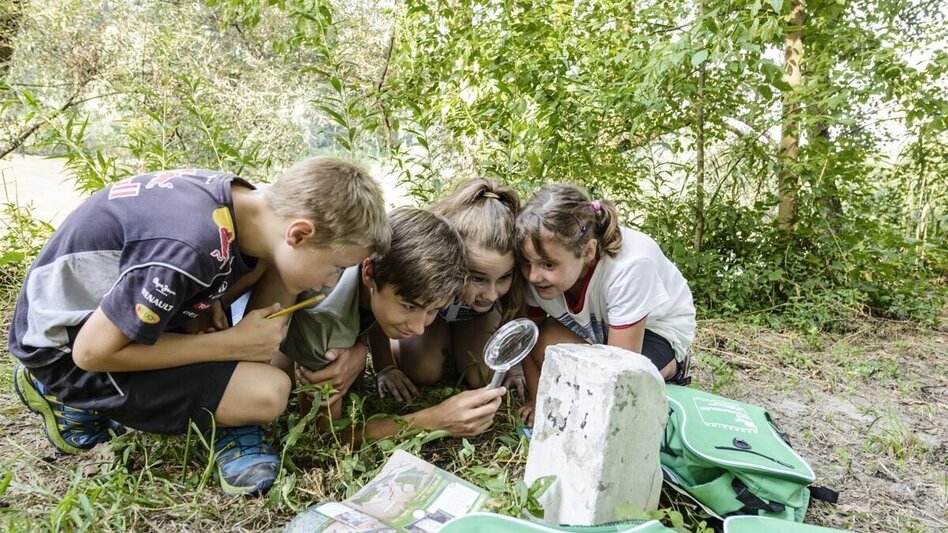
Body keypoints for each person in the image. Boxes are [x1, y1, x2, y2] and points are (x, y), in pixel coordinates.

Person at [8, 157, 390, 496]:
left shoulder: (246, 208)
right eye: (337, 268)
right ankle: (57, 391)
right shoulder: (187, 246)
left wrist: (208, 309)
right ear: (300, 233)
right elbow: (92, 353)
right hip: (64, 350)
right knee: (268, 392)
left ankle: (230, 395)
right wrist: (230, 345)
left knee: (271, 264)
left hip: (107, 314)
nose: (330, 283)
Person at [269, 207, 507, 443]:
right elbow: (324, 437)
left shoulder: (379, 254)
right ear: (369, 273)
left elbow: (375, 306)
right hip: (268, 356)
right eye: (409, 306)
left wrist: (379, 362)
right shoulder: (327, 324)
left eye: (433, 310)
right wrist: (433, 420)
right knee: (284, 386)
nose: (419, 328)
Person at [516, 184, 696, 427]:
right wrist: (539, 400)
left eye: (548, 265)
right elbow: (527, 340)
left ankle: (672, 367)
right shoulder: (537, 271)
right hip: (596, 328)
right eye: (528, 262)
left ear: (589, 250)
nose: (534, 276)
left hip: (654, 331)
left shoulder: (629, 267)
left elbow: (620, 370)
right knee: (541, 345)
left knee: (625, 393)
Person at [376, 178, 526, 401]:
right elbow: (379, 308)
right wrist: (385, 366)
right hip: (432, 319)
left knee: (482, 376)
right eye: (478, 278)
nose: (492, 294)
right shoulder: (428, 262)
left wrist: (515, 366)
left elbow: (518, 316)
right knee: (423, 371)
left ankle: (458, 347)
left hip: (475, 319)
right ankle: (410, 345)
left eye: (504, 277)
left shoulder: (504, 287)